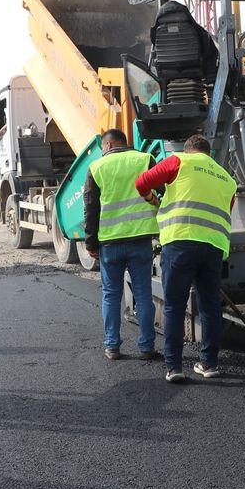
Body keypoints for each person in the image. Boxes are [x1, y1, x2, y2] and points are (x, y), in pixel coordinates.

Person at [135, 134, 237, 383]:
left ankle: (174, 367)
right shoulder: (227, 178)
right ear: (209, 154)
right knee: (210, 306)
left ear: (188, 149)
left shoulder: (178, 161)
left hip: (180, 241)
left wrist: (153, 200)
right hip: (213, 247)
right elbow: (226, 210)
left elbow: (142, 182)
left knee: (174, 305)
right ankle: (209, 364)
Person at [83, 129, 159, 361]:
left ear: (108, 145)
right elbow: (162, 193)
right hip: (140, 239)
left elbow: (90, 207)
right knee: (143, 294)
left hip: (110, 243)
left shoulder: (97, 167)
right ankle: (147, 347)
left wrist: (91, 242)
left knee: (111, 295)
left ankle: (112, 346)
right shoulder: (145, 160)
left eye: (102, 148)